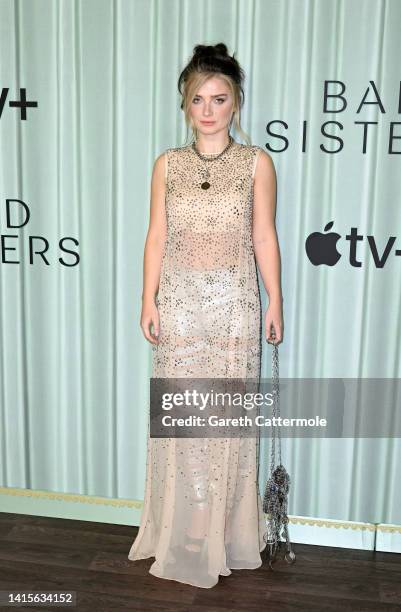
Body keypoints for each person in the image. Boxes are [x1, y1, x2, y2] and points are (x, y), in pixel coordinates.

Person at [128, 42, 284, 589]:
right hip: (180, 305)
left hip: (235, 307)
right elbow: (156, 237)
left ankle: (219, 526)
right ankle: (192, 521)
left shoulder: (257, 163)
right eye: (199, 99)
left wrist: (275, 300)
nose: (210, 109)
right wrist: (147, 299)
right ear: (185, 105)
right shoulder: (166, 164)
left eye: (220, 99)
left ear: (236, 103)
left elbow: (264, 235)